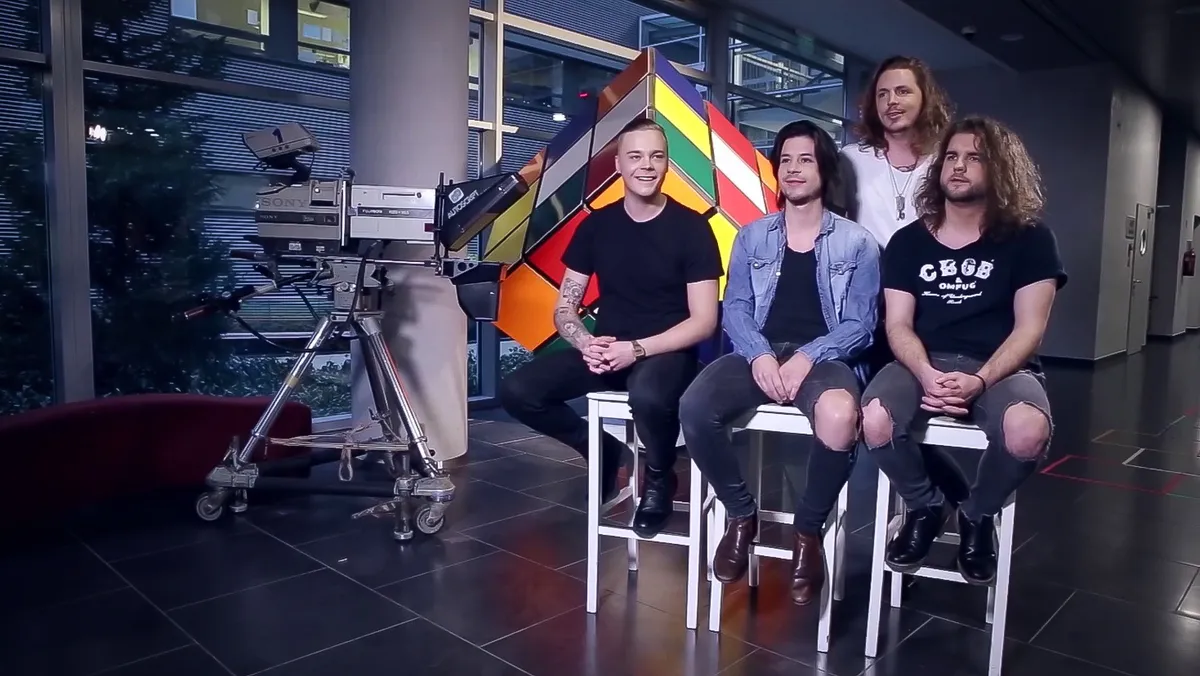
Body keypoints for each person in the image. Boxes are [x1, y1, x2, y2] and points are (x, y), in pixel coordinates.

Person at [678, 120, 880, 605]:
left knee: (840, 416)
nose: (793, 169)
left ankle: (807, 534)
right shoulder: (752, 237)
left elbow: (861, 326)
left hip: (826, 356)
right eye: (785, 160)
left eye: (805, 159)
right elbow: (736, 309)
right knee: (693, 407)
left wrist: (808, 355)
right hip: (760, 351)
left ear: (824, 168)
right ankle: (740, 514)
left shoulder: (858, 243)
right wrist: (761, 354)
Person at [860, 116, 1067, 585]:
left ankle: (976, 514)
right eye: (951, 156)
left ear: (999, 169)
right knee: (873, 418)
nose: (958, 166)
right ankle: (926, 506)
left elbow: (1030, 330)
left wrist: (980, 380)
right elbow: (897, 324)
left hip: (999, 366)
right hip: (920, 363)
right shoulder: (908, 242)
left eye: (974, 158)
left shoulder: (1031, 239)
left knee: (1028, 431)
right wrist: (925, 372)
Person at [498, 117, 724, 538]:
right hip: (607, 348)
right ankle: (599, 448)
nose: (646, 165)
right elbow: (565, 308)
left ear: (667, 164)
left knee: (648, 396)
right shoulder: (596, 225)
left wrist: (635, 349)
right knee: (517, 391)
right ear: (618, 165)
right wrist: (586, 342)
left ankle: (659, 477)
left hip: (666, 352)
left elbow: (704, 322)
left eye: (656, 156)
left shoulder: (693, 228)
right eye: (635, 156)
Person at [839, 55, 952, 248]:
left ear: (925, 99)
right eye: (882, 94)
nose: (891, 101)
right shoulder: (851, 159)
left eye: (902, 92)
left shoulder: (945, 162)